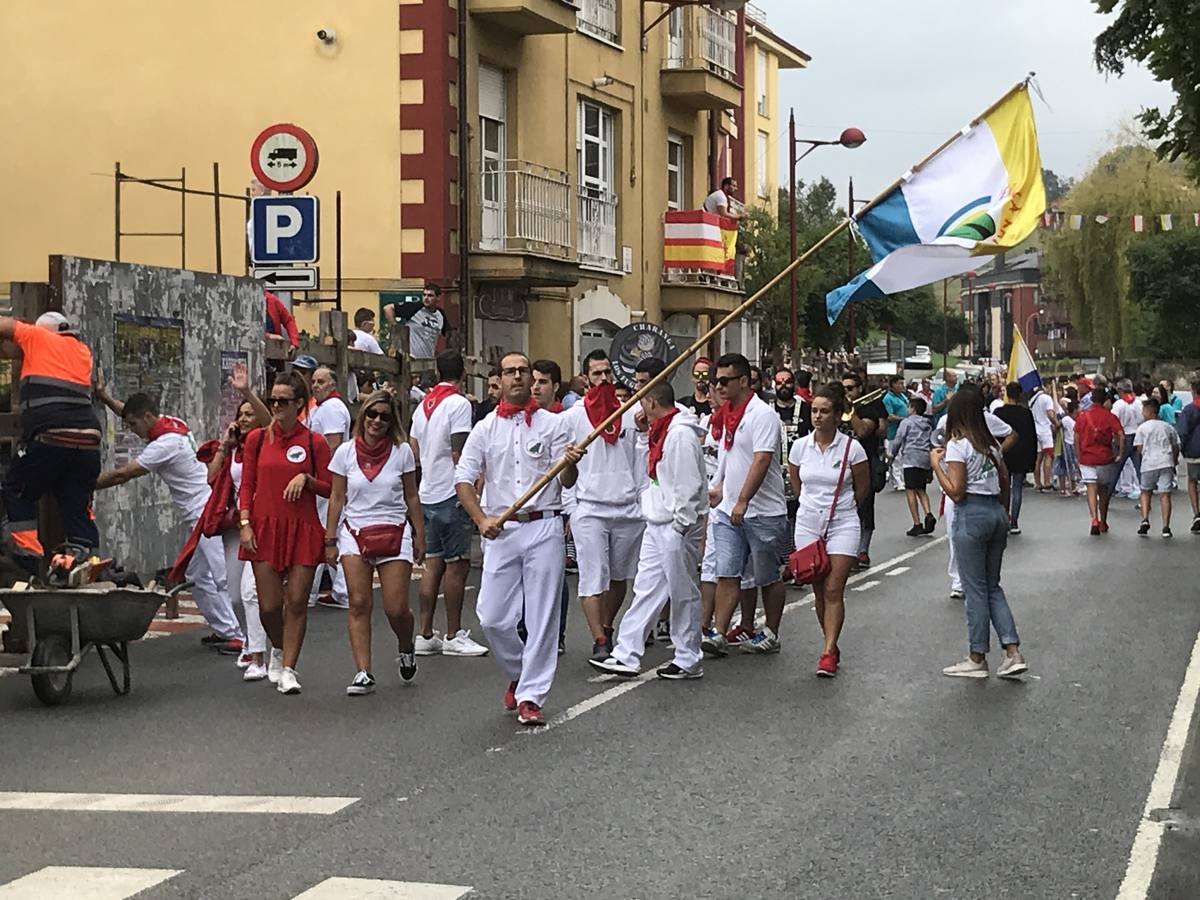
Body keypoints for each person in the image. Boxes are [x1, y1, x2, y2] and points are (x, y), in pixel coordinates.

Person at [455, 352, 582, 727]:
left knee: (542, 615)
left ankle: (531, 695)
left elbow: (568, 481)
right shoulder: (484, 429)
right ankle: (519, 669)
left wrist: (571, 462)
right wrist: (481, 520)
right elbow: (463, 479)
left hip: (543, 524)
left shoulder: (555, 425)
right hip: (501, 528)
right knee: (492, 616)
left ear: (532, 379)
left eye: (523, 372)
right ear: (500, 379)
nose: (516, 378)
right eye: (509, 372)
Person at [94, 388, 244, 653]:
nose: (132, 430)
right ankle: (225, 630)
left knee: (218, 576)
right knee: (197, 575)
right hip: (202, 508)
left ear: (149, 417)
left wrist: (85, 487)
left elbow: (123, 474)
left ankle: (239, 637)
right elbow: (130, 411)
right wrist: (105, 398)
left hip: (204, 512)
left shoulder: (164, 445)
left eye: (133, 425)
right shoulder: (173, 424)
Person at [591, 380, 707, 679]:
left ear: (653, 403)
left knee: (681, 591)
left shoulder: (680, 434)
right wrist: (643, 435)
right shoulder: (660, 430)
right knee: (646, 589)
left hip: (675, 524)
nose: (638, 409)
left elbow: (688, 484)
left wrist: (681, 525)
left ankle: (688, 656)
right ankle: (627, 653)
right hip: (657, 521)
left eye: (642, 402)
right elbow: (650, 471)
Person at [167, 364, 272, 677]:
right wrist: (225, 447)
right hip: (234, 526)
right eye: (240, 414)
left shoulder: (267, 443)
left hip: (260, 523)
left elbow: (267, 422)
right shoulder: (233, 449)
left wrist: (246, 392)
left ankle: (258, 653)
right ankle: (263, 638)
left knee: (252, 592)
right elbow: (211, 478)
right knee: (234, 590)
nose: (243, 419)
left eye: (248, 414)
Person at [237, 372, 332, 695]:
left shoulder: (313, 442)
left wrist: (307, 479)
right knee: (268, 606)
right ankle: (278, 647)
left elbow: (331, 487)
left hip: (302, 528)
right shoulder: (257, 440)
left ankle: (289, 667)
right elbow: (247, 484)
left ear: (299, 405)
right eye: (272, 400)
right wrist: (245, 523)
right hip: (263, 527)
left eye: (283, 401)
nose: (276, 406)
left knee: (297, 602)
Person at [326, 390, 426, 694]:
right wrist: (330, 538)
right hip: (355, 531)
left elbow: (411, 495)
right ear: (363, 416)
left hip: (394, 529)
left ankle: (406, 644)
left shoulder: (402, 452)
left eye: (384, 416)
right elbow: (337, 496)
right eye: (372, 414)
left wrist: (420, 533)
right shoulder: (344, 452)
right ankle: (363, 671)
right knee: (358, 602)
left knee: (396, 608)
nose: (377, 421)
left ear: (392, 420)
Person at [932, 391, 1028, 680]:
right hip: (995, 512)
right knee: (992, 586)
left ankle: (977, 656)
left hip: (970, 513)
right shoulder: (991, 446)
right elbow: (1004, 481)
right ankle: (1012, 651)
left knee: (974, 590)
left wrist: (937, 465)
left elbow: (956, 490)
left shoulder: (958, 446)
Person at [0, 312, 102, 578]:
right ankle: (84, 560)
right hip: (88, 443)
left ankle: (28, 559)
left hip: (51, 438)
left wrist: (17, 332)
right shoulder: (82, 352)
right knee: (75, 502)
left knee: (17, 489)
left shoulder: (37, 336)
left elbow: (6, 326)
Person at [701, 353, 789, 656]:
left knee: (768, 576)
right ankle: (719, 633)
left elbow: (761, 459)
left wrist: (743, 500)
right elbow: (728, 454)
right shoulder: (728, 413)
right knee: (727, 572)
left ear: (743, 381)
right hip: (728, 510)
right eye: (716, 381)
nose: (719, 386)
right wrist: (721, 487)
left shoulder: (762, 415)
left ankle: (772, 632)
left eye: (724, 381)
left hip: (763, 511)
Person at [562, 350, 646, 661]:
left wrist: (642, 501)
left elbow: (641, 458)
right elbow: (564, 474)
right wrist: (571, 508)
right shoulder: (572, 418)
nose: (604, 379)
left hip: (626, 508)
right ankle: (598, 638)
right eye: (596, 374)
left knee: (618, 577)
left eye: (608, 373)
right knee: (592, 577)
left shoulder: (630, 413)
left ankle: (608, 626)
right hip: (591, 509)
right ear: (586, 379)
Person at [788, 385, 870, 677]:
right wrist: (810, 507)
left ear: (838, 416)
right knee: (818, 589)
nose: (818, 416)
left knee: (834, 589)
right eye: (814, 411)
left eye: (824, 411)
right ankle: (830, 643)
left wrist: (842, 509)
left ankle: (827, 652)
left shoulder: (852, 448)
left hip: (843, 521)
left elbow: (862, 488)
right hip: (809, 522)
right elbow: (797, 483)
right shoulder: (800, 447)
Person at [409, 351, 487, 657]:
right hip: (451, 491)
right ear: (463, 373)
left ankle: (426, 633)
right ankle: (454, 633)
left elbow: (415, 451)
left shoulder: (422, 408)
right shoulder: (459, 404)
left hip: (428, 489)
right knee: (457, 565)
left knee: (433, 564)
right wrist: (475, 479)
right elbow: (460, 451)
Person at [307, 366, 352, 609]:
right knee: (325, 530)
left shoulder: (332, 409)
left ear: (332, 384)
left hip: (326, 477)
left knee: (327, 530)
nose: (315, 385)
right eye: (314, 381)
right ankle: (323, 590)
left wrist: (322, 476)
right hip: (326, 477)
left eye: (321, 381)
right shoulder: (324, 407)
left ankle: (341, 590)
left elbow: (332, 444)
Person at [840, 372, 887, 569]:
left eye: (850, 388)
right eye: (844, 389)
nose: (847, 393)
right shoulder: (836, 408)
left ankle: (862, 550)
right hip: (840, 464)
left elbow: (862, 431)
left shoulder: (871, 407)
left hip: (864, 463)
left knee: (864, 507)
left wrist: (852, 412)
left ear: (859, 389)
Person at [1074, 387, 1125, 536]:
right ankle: (1103, 520)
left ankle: (1094, 519)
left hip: (1087, 458)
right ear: (1105, 400)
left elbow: (1076, 437)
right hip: (1105, 458)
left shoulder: (1083, 416)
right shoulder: (1110, 416)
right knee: (1103, 490)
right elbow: (1121, 435)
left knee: (1091, 488)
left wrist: (1079, 456)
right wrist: (1120, 454)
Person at [993, 382, 1038, 535]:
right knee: (1017, 487)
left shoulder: (999, 412)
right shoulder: (1026, 413)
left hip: (1003, 452)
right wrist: (1032, 459)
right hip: (1021, 453)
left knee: (1003, 487)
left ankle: (1004, 517)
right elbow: (1032, 436)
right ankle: (1014, 522)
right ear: (1019, 395)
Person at [1134, 396, 1181, 538]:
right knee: (1165, 494)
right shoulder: (1167, 427)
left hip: (1149, 463)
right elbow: (1176, 445)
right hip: (1166, 462)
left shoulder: (1142, 428)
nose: (1142, 413)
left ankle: (1145, 519)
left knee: (1145, 492)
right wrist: (1174, 459)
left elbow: (1139, 449)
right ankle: (1166, 527)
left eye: (1143, 411)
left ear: (1149, 412)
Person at [889, 396, 935, 536]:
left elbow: (899, 439)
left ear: (913, 409)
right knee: (921, 489)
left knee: (910, 490)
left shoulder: (906, 423)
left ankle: (917, 523)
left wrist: (892, 454)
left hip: (910, 458)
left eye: (908, 407)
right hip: (924, 458)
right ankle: (928, 513)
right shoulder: (928, 424)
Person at [384, 283, 449, 359]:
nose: (426, 298)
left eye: (430, 296)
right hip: (410, 359)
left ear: (438, 298)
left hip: (428, 360)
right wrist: (396, 330)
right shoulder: (415, 308)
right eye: (424, 295)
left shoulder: (440, 315)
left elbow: (449, 334)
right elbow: (388, 308)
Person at [1176, 378, 1200, 534]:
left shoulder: (1190, 409)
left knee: (1192, 481)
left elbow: (1183, 432)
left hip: (1194, 450)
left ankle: (1197, 514)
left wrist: (1182, 449)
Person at [1112, 378, 1144, 484]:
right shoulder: (1139, 403)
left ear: (1120, 390)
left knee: (1116, 468)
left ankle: (1108, 491)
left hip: (1123, 437)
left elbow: (1113, 421)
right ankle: (1145, 489)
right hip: (1138, 436)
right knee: (1139, 467)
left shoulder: (1118, 404)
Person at [1028, 386, 1059, 492]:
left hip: (1035, 430)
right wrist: (1056, 423)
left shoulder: (1032, 400)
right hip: (1045, 430)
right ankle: (1047, 482)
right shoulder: (1046, 398)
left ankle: (1038, 483)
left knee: (1038, 458)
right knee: (1049, 455)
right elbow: (1050, 414)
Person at [883, 375, 910, 491]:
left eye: (902, 383)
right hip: (893, 432)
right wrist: (903, 419)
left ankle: (902, 479)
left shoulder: (902, 396)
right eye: (899, 383)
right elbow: (889, 416)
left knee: (903, 456)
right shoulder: (888, 398)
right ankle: (897, 481)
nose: (902, 386)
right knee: (895, 457)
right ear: (893, 384)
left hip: (904, 431)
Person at [1054, 399, 1079, 498]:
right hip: (1067, 444)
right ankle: (1064, 488)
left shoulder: (1075, 420)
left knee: (1072, 466)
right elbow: (1057, 425)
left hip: (1073, 444)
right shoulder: (1067, 419)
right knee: (1064, 466)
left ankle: (1073, 486)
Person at [264, 290, 299, 355]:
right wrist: (269, 336)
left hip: (276, 351)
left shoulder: (272, 300)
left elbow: (289, 321)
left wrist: (294, 342)